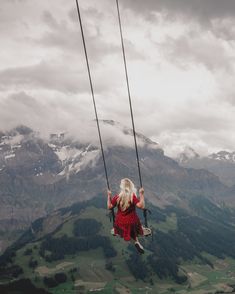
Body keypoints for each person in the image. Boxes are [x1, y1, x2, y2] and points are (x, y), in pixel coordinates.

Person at [107, 178, 145, 254]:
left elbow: (109, 207)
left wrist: (108, 196)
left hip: (120, 223)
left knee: (125, 226)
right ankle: (136, 242)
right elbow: (141, 206)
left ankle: (132, 239)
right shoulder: (132, 196)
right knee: (133, 225)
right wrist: (141, 194)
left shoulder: (118, 197)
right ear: (131, 186)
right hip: (132, 222)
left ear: (122, 187)